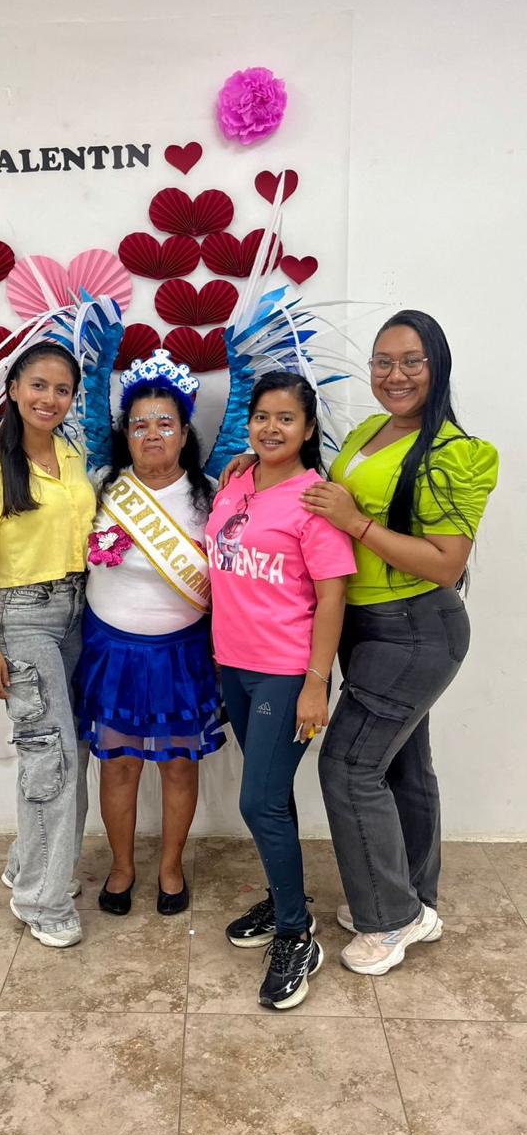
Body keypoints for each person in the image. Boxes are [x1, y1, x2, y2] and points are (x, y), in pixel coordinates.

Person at [300, 310, 498, 975]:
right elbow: (327, 495)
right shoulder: (369, 431)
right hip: (367, 627)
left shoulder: (456, 452)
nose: (395, 375)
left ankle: (390, 919)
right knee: (403, 767)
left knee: (348, 766)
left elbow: (446, 563)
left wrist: (355, 523)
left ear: (437, 366)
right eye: (383, 361)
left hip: (415, 628)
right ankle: (413, 900)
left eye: (412, 361)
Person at [206, 371, 357, 1010]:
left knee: (258, 801)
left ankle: (297, 934)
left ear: (308, 427)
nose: (271, 428)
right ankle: (284, 898)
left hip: (288, 672)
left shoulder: (315, 499)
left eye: (286, 418)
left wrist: (316, 683)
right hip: (233, 665)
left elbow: (332, 597)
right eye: (262, 416)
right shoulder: (236, 482)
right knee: (272, 797)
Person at [74, 350, 224, 916]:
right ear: (126, 434)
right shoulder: (100, 487)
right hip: (111, 651)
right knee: (119, 765)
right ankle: (121, 867)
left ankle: (170, 867)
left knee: (180, 765)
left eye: (165, 423)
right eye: (139, 424)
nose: (153, 434)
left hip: (181, 655)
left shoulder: (212, 494)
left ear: (184, 432)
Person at [0, 340, 95, 949]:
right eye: (38, 385)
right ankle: (42, 899)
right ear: (14, 389)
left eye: (62, 389)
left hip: (79, 612)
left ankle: (30, 864)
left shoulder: (72, 456)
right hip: (25, 618)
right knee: (51, 756)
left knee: (65, 751)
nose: (50, 398)